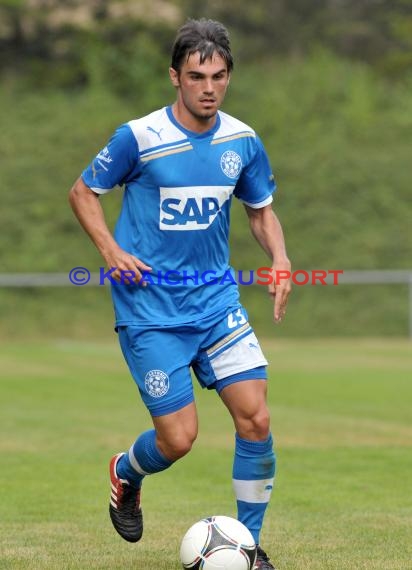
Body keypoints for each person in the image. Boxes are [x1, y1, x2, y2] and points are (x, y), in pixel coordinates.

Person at [69, 18, 291, 570]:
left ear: (229, 77)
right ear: (175, 77)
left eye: (218, 76)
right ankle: (127, 471)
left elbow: (259, 211)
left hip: (216, 304)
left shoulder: (242, 140)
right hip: (150, 311)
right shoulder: (139, 137)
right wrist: (110, 252)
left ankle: (250, 546)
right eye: (196, 76)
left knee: (255, 418)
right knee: (179, 440)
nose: (208, 87)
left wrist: (281, 260)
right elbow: (83, 192)